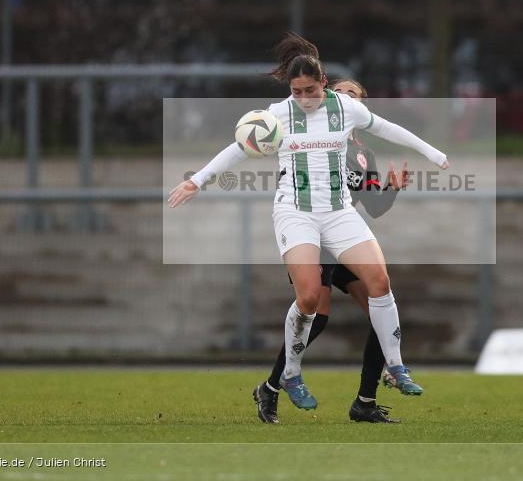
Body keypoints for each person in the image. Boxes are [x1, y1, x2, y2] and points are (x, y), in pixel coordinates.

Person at [168, 33, 449, 419]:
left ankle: (396, 368)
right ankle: (291, 375)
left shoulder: (345, 110)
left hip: (338, 212)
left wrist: (432, 153)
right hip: (296, 212)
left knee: (380, 281)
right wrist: (197, 180)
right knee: (310, 301)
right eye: (296, 91)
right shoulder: (277, 114)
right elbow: (238, 149)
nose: (303, 98)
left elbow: (388, 129)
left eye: (310, 90)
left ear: (323, 83)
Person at [254, 78, 413, 425]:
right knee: (317, 317)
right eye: (338, 92)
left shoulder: (364, 155)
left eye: (351, 93)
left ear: (361, 106)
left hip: (346, 241)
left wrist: (392, 188)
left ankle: (365, 402)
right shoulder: (314, 137)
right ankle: (271, 387)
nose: (342, 97)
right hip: (315, 241)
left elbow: (375, 206)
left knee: (379, 310)